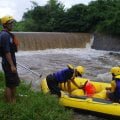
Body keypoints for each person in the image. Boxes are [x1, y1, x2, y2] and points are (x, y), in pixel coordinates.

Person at [0, 15, 20, 103]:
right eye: (10, 23)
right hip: (8, 63)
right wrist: (12, 65)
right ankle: (10, 102)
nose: (12, 24)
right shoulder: (4, 35)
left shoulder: (8, 34)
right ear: (5, 24)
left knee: (13, 83)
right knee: (9, 84)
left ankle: (13, 100)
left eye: (12, 23)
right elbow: (6, 52)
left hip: (10, 62)